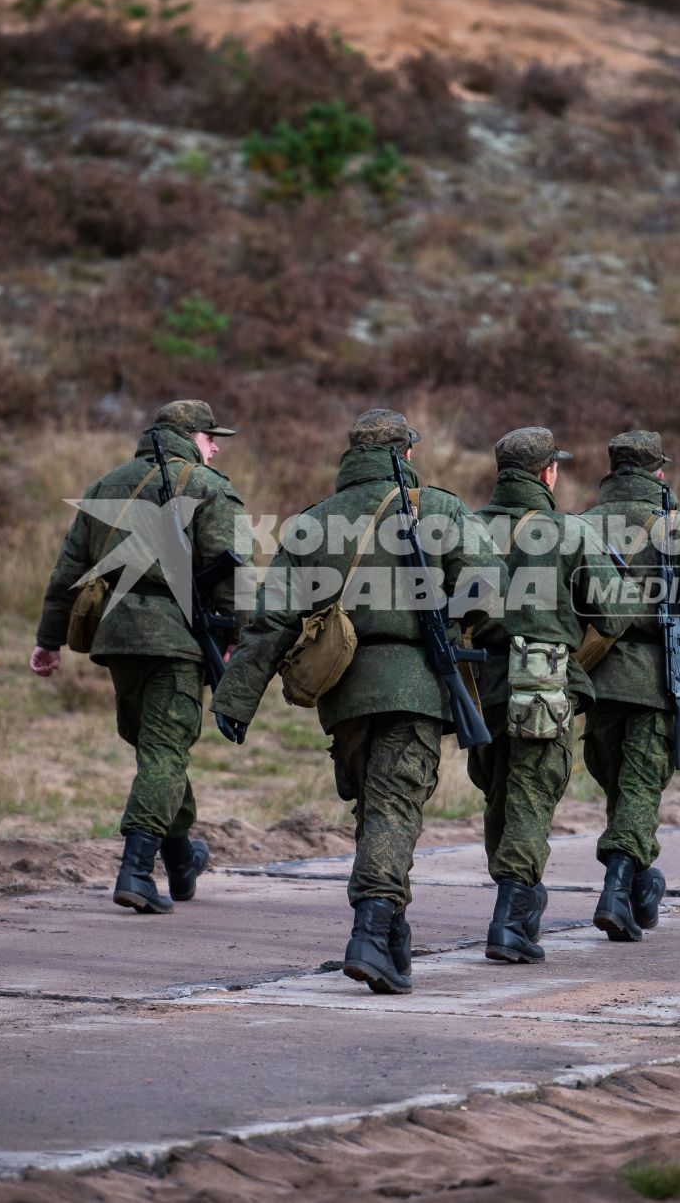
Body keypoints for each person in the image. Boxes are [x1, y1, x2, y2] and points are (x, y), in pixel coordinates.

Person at [210, 409, 502, 994]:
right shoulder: (437, 509)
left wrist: (235, 699)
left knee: (376, 811)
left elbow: (271, 622)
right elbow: (489, 586)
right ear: (406, 455)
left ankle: (391, 937)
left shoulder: (313, 522)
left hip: (343, 692)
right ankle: (370, 931)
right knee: (396, 810)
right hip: (417, 686)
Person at [30, 399, 244, 915]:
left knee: (156, 750)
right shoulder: (210, 488)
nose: (215, 447)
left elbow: (68, 573)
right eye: (210, 437)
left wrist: (49, 639)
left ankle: (179, 857)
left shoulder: (106, 486)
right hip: (178, 639)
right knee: (165, 753)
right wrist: (239, 636)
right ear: (190, 436)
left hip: (119, 637)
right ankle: (135, 870)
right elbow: (235, 574)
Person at [467, 427, 628, 963]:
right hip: (543, 684)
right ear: (546, 473)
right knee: (532, 797)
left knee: (499, 793)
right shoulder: (568, 532)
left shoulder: (465, 529)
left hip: (481, 684)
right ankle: (512, 918)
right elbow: (612, 613)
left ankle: (514, 895)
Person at [579, 430, 680, 941]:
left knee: (622, 784)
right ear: (658, 472)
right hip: (653, 678)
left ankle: (642, 885)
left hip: (597, 676)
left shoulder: (579, 525)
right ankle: (616, 889)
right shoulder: (676, 526)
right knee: (641, 786)